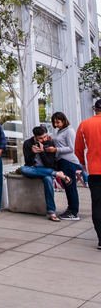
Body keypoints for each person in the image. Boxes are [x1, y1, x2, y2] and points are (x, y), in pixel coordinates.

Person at [22, 125, 72, 222]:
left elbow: (49, 164)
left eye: (45, 136)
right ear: (35, 137)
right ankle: (57, 174)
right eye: (41, 138)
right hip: (33, 170)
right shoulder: (27, 143)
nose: (44, 139)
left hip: (46, 169)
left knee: (48, 180)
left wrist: (42, 152)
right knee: (24, 169)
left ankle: (51, 212)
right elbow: (28, 163)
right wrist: (33, 153)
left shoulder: (49, 143)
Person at [75, 99, 101, 250]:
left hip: (94, 171)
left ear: (94, 109)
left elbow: (78, 148)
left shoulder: (84, 124)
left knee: (97, 205)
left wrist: (83, 163)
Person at [51, 111, 81, 220]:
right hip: (62, 161)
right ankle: (71, 209)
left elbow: (72, 148)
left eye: (58, 122)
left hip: (68, 161)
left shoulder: (69, 131)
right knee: (68, 187)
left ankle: (73, 212)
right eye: (54, 123)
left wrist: (56, 149)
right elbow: (60, 142)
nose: (56, 125)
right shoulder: (60, 131)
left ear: (64, 121)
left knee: (70, 186)